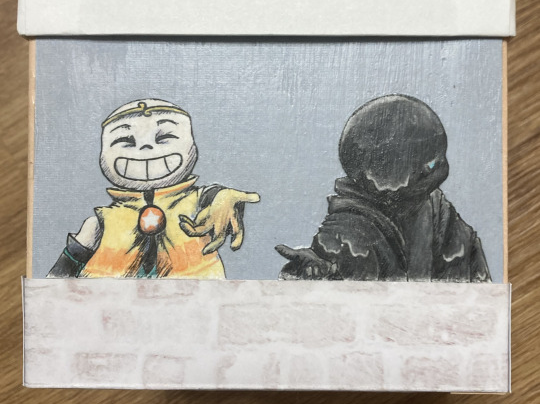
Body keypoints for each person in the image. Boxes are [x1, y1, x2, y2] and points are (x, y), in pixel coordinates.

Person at [276, 94, 491, 282]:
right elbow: (335, 282)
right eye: (431, 165)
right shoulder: (347, 231)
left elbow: (472, 278)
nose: (439, 170)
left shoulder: (438, 213)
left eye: (436, 163)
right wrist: (317, 272)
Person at [48, 99, 260, 279]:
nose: (145, 147)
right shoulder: (101, 222)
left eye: (164, 137)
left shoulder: (202, 204)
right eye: (125, 140)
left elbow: (216, 198)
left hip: (192, 303)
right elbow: (59, 276)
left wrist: (224, 198)